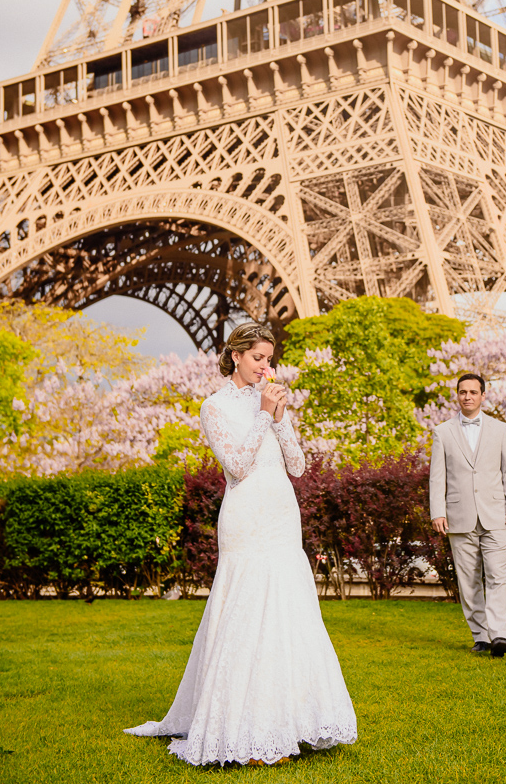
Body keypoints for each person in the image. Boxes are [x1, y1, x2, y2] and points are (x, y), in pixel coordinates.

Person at [125, 322, 357, 765]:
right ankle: (246, 729)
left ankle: (292, 721)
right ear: (235, 356)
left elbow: (299, 466)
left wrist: (281, 417)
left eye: (269, 358)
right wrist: (262, 415)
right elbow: (236, 467)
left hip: (281, 517)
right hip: (246, 519)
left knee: (288, 614)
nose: (265, 366)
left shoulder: (270, 402)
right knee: (249, 615)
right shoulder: (213, 407)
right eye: (258, 358)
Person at [429, 372, 506, 658]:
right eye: (462, 392)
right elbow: (437, 477)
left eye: (472, 392)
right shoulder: (442, 432)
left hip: (496, 515)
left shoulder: (500, 429)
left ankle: (499, 635)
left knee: (497, 574)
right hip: (459, 516)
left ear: (483, 395)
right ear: (457, 396)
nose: (467, 396)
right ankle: (480, 636)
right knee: (468, 580)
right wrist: (438, 511)